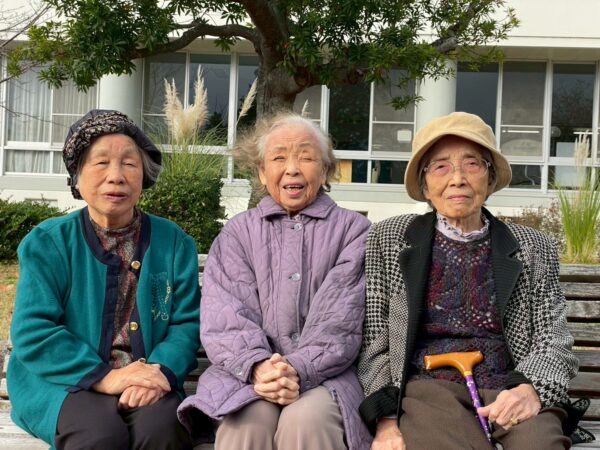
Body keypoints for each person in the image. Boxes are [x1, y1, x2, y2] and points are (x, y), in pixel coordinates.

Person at [357, 112, 583, 449]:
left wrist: (530, 388)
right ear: (424, 184)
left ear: (490, 179)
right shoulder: (389, 238)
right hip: (429, 390)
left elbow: (554, 338)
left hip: (509, 387)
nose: (458, 178)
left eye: (472, 164)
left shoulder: (533, 247)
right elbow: (375, 341)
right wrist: (386, 418)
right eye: (440, 167)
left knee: (540, 443)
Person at [177, 112, 372, 450]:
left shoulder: (354, 231)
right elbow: (227, 316)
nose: (292, 168)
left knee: (307, 421)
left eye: (306, 157)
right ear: (261, 172)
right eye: (279, 158)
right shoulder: (238, 233)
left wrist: (295, 369)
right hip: (246, 374)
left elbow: (341, 320)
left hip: (328, 376)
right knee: (245, 424)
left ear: (326, 170)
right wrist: (257, 366)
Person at [8, 109, 201, 450]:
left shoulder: (173, 243)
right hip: (62, 381)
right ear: (77, 177)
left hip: (146, 377)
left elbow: (186, 324)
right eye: (100, 163)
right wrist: (107, 378)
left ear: (144, 175)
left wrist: (158, 372)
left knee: (163, 429)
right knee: (98, 434)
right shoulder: (48, 243)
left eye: (129, 164)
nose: (116, 176)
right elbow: (33, 331)